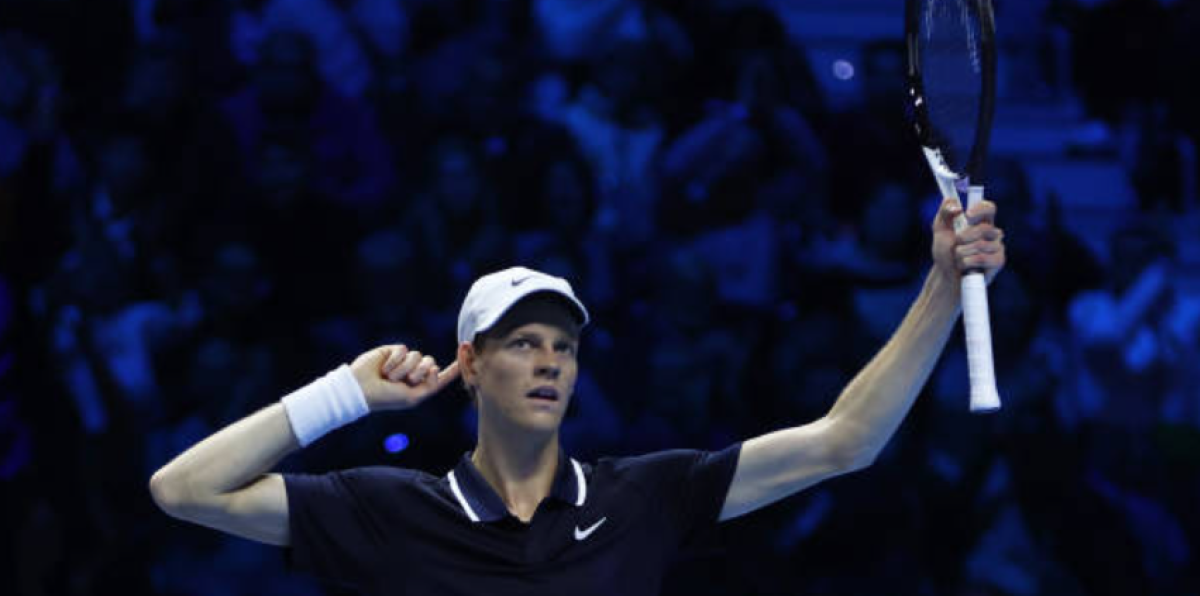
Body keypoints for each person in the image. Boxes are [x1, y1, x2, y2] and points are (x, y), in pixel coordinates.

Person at [149, 198, 1006, 595]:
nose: (549, 361)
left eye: (564, 345)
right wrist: (345, 394)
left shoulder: (646, 496)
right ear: (471, 365)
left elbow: (845, 439)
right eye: (522, 343)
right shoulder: (385, 509)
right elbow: (184, 491)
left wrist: (939, 283)